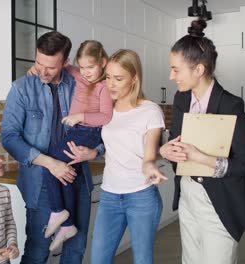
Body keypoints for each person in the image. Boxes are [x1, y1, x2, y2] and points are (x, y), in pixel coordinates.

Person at [159, 19, 245, 264]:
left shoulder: (231, 105)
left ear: (199, 70)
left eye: (176, 69)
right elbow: (175, 142)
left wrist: (200, 157)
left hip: (220, 199)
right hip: (188, 194)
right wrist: (166, 150)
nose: (171, 76)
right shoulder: (181, 99)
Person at [1, 31, 101, 263]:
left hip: (77, 180)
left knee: (75, 250)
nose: (42, 72)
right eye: (38, 63)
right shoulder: (21, 89)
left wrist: (96, 151)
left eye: (51, 67)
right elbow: (9, 137)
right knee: (37, 253)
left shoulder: (82, 85)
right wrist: (50, 163)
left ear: (65, 63)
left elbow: (103, 125)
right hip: (40, 185)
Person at [64, 49, 168, 264]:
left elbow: (149, 154)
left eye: (118, 78)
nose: (110, 84)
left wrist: (150, 166)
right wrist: (94, 152)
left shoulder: (150, 111)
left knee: (142, 259)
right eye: (108, 77)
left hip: (141, 195)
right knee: (99, 259)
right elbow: (109, 142)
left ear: (134, 78)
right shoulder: (106, 108)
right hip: (110, 195)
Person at [28, 40, 113, 251]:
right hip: (77, 132)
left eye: (90, 67)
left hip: (88, 132)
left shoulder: (103, 86)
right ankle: (66, 224)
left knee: (51, 163)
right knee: (61, 172)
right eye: (82, 67)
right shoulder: (78, 74)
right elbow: (60, 64)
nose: (85, 72)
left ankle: (59, 212)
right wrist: (35, 68)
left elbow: (106, 116)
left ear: (103, 62)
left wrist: (79, 116)